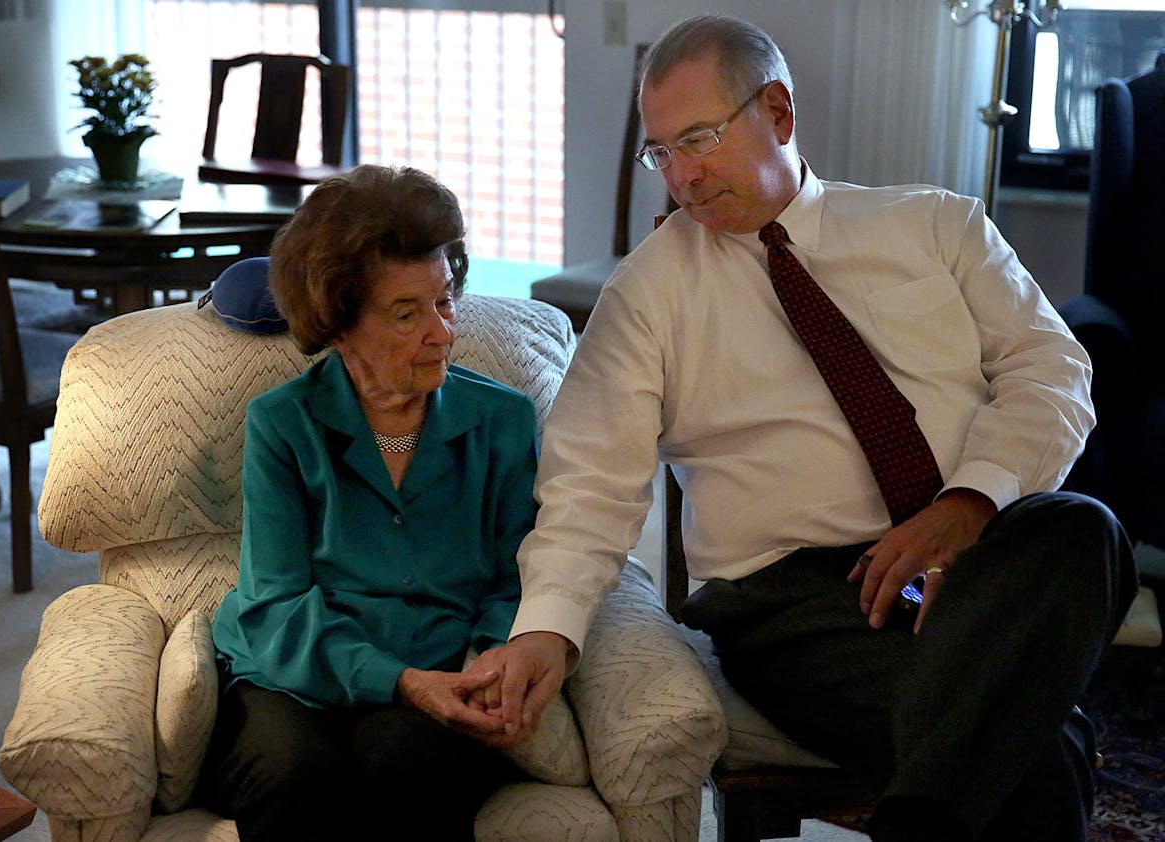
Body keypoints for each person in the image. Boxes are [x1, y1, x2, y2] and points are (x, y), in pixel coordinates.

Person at [475, 15, 1138, 842]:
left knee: (1084, 528)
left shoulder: (938, 227)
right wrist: (547, 630)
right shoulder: (647, 294)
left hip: (971, 562)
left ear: (779, 113)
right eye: (662, 153)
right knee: (1043, 746)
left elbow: (1057, 374)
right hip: (790, 605)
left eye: (701, 140)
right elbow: (589, 483)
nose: (680, 176)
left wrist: (965, 508)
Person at [195, 164, 538, 841]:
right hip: (298, 673)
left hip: (444, 673)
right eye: (406, 314)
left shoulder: (503, 421)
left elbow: (517, 577)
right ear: (338, 326)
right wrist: (400, 680)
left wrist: (486, 662)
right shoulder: (283, 425)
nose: (441, 332)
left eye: (444, 301)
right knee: (296, 776)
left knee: (409, 762)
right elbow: (276, 605)